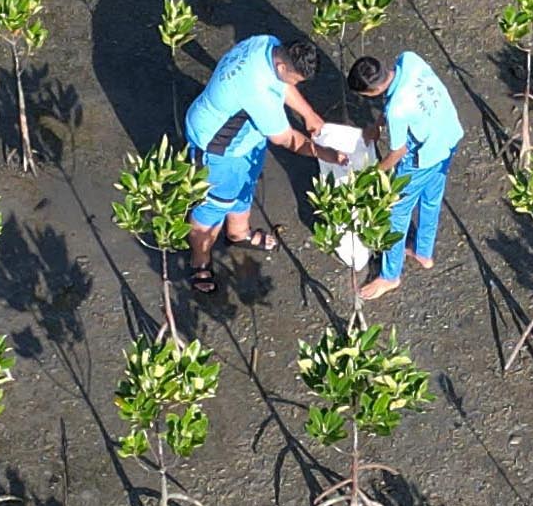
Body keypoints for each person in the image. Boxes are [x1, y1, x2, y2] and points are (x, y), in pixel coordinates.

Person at [182, 30, 324, 296]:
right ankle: (199, 261)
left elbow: (284, 85)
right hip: (218, 148)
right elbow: (286, 139)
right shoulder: (258, 92)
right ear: (281, 67)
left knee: (244, 185)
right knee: (212, 208)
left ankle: (238, 233)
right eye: (297, 79)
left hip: (245, 139)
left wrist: (309, 115)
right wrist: (325, 154)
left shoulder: (267, 43)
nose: (297, 85)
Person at [349, 49, 462, 302]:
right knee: (431, 199)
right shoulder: (410, 59)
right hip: (448, 136)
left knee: (396, 213)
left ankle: (391, 276)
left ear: (372, 92)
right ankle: (423, 252)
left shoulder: (397, 110)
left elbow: (398, 152)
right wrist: (378, 124)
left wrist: (372, 175)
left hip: (423, 157)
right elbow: (391, 100)